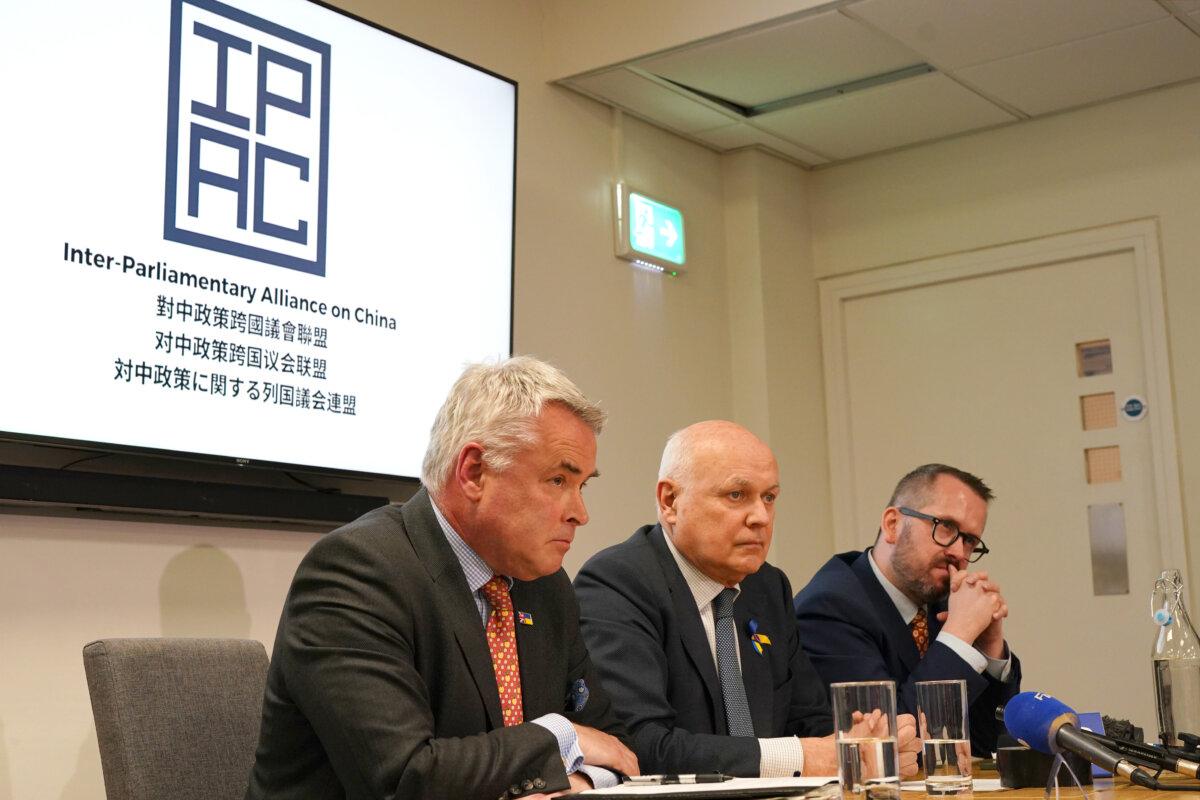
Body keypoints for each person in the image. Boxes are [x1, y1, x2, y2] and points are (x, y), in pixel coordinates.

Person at [246, 356, 638, 800]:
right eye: (557, 480)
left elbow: (616, 748)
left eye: (582, 485)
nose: (580, 513)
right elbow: (406, 777)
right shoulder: (357, 571)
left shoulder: (545, 587)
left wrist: (580, 779)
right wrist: (558, 736)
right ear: (473, 472)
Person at [574, 421, 920, 777]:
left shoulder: (767, 587)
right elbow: (639, 745)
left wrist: (862, 745)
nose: (761, 517)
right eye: (736, 495)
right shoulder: (618, 582)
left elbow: (810, 722)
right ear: (670, 501)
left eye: (769, 497)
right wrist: (804, 757)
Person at [794, 463, 1020, 756]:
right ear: (892, 524)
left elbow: (984, 745)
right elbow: (885, 745)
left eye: (970, 541)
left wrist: (988, 647)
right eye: (946, 527)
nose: (959, 553)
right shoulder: (830, 607)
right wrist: (958, 636)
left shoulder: (941, 604)